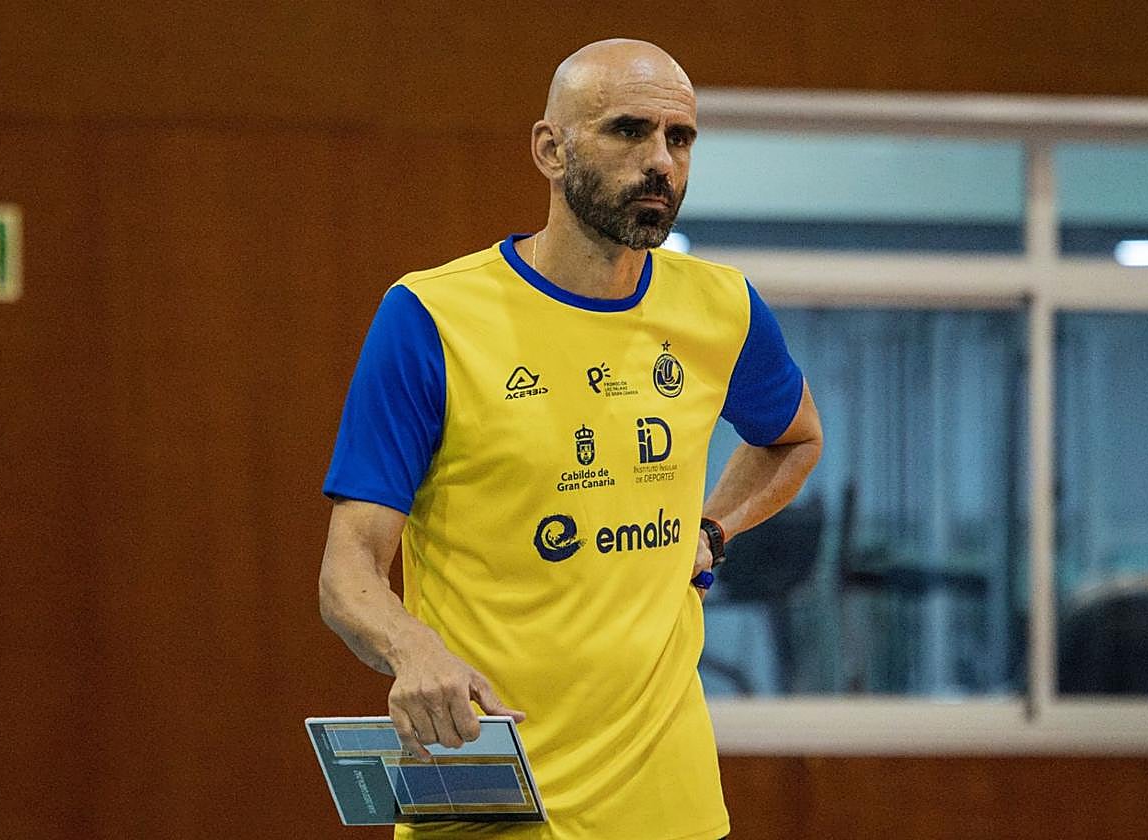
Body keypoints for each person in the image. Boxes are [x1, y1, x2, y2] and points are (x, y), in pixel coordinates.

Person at [319, 38, 823, 840]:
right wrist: (411, 650)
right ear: (550, 150)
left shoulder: (722, 308)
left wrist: (713, 528)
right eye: (629, 130)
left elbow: (793, 440)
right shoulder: (431, 318)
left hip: (668, 808)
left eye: (680, 138)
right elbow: (347, 571)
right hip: (485, 803)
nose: (661, 161)